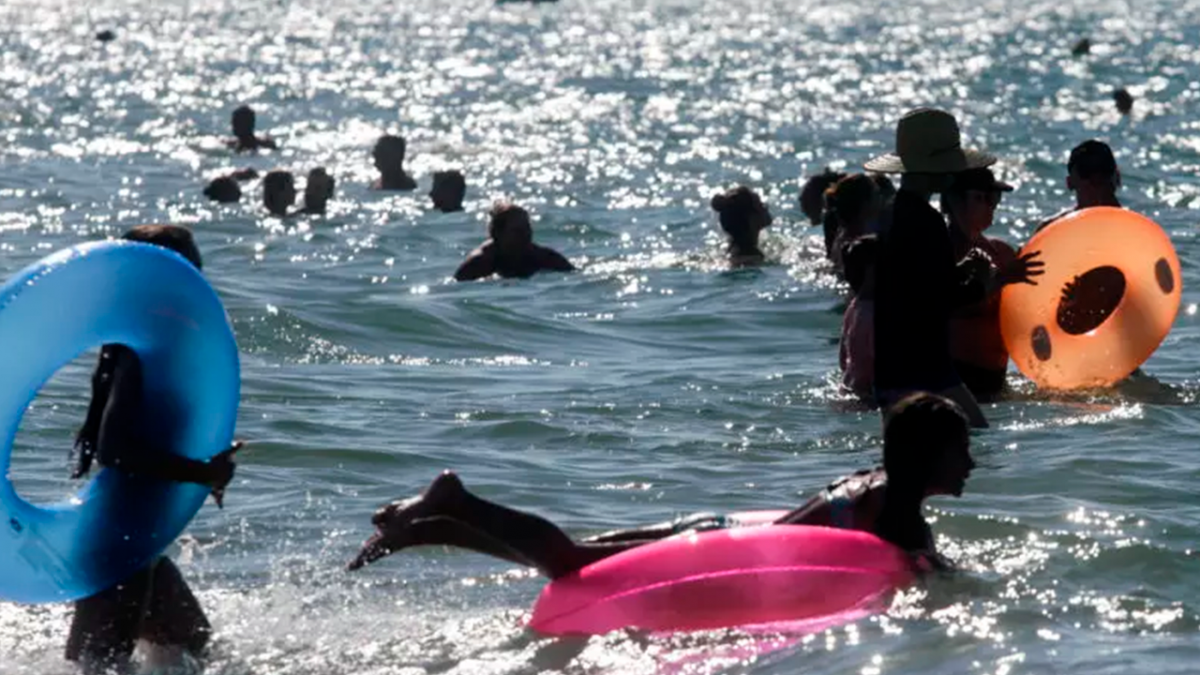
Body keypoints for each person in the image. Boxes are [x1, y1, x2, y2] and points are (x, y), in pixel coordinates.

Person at [347, 392, 974, 577]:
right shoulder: (898, 511)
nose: (970, 464)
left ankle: (437, 526)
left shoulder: (881, 484)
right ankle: (460, 502)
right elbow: (918, 567)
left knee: (571, 560)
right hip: (712, 548)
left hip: (716, 530)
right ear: (927, 457)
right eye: (960, 451)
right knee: (569, 563)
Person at [66, 225, 242, 674]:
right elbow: (114, 449)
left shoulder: (156, 345)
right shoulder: (139, 351)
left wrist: (200, 467)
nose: (195, 285)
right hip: (118, 532)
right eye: (184, 272)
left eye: (196, 272)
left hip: (137, 530)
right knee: (103, 665)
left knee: (195, 647)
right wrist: (200, 472)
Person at [864, 108, 1042, 428]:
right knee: (975, 437)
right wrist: (988, 278)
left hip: (891, 363)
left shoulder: (890, 214)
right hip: (927, 366)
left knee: (908, 447)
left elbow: (917, 285)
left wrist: (962, 268)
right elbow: (947, 299)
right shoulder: (927, 221)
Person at [942, 169, 1020, 400]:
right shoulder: (939, 253)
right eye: (981, 198)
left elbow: (1027, 313)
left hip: (996, 381)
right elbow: (947, 307)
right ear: (954, 202)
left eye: (994, 198)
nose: (991, 206)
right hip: (953, 379)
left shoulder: (1001, 252)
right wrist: (1001, 281)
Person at [453, 203, 575, 281]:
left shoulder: (543, 257)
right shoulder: (480, 262)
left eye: (527, 229)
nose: (525, 235)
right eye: (518, 231)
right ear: (497, 234)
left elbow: (572, 276)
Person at [1035, 140, 1121, 232]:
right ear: (1117, 177)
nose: (1096, 178)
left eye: (1104, 171)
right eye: (1086, 173)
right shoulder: (1049, 230)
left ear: (1069, 183)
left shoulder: (1050, 230)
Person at [839, 234, 878, 399]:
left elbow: (843, 361)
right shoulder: (876, 315)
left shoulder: (854, 307)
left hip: (849, 388)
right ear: (872, 271)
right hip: (869, 398)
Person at [822, 174, 883, 274]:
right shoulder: (859, 242)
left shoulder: (842, 233)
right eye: (876, 194)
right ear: (865, 204)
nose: (881, 198)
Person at [710, 186, 773, 267]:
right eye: (760, 205)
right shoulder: (752, 261)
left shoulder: (728, 254)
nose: (765, 207)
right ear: (751, 219)